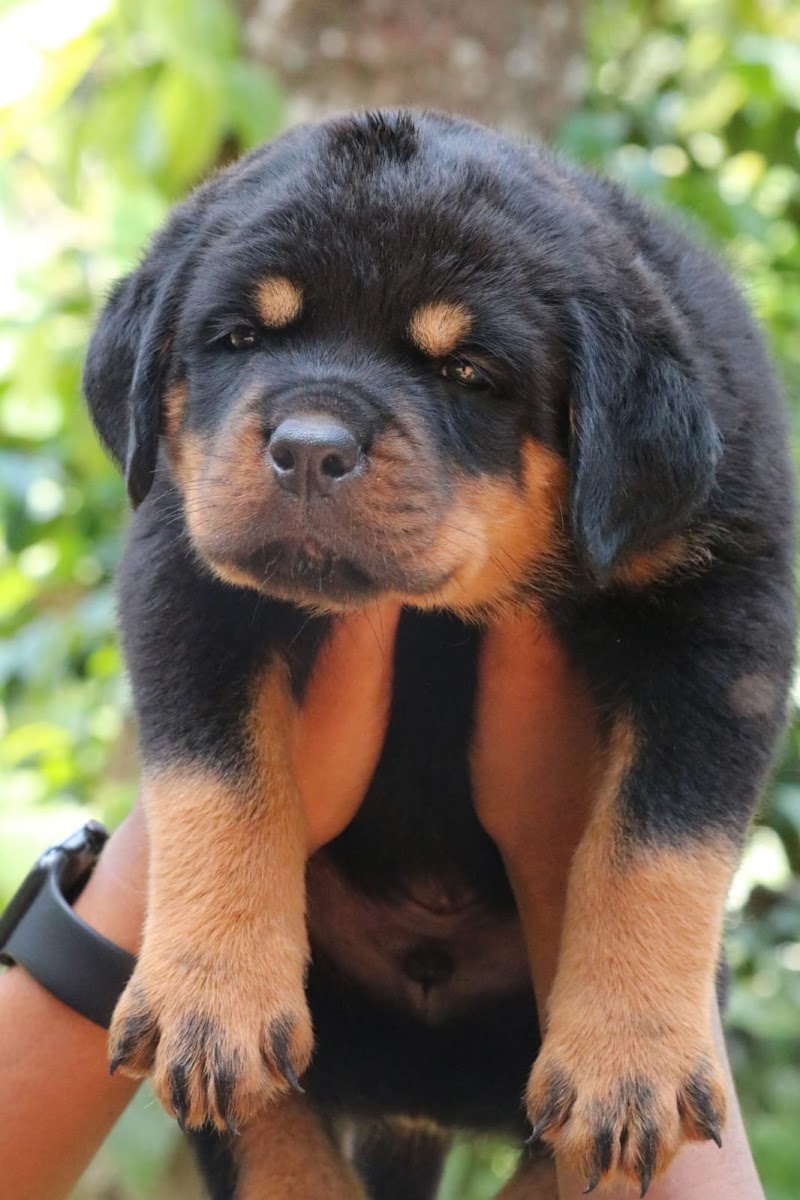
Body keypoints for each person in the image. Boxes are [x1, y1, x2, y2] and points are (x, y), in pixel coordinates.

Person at [0, 606, 765, 1200]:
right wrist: (193, 898)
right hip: (307, 963)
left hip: (554, 1005)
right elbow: (178, 566)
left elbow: (726, 622)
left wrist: (583, 885)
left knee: (638, 1074)